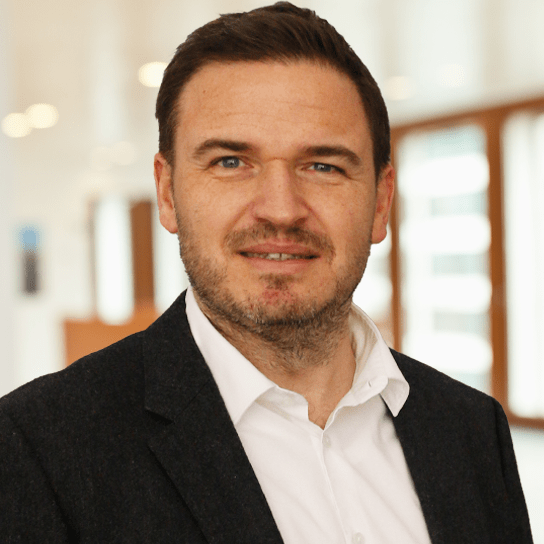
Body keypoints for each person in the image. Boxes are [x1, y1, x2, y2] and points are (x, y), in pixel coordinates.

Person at [0, 3, 533, 543]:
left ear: (380, 202)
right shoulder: (40, 448)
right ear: (167, 193)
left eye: (323, 166)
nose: (281, 210)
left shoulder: (471, 430)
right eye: (231, 162)